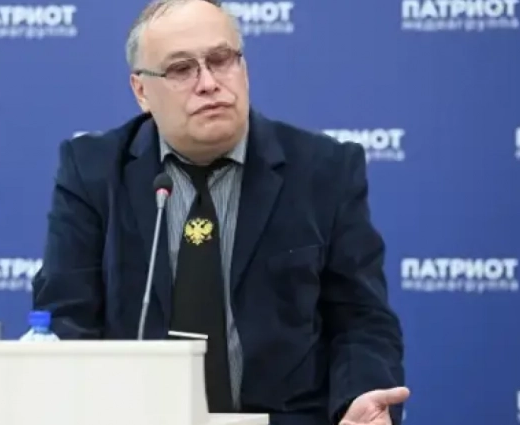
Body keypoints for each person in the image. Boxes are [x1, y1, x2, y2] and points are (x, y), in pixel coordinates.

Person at [31, 0, 408, 424]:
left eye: (221, 59)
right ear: (141, 91)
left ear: (243, 67)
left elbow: (360, 318)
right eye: (181, 69)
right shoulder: (93, 170)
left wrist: (361, 398)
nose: (209, 83)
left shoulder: (324, 170)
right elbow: (67, 317)